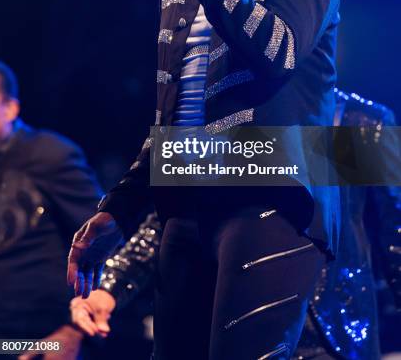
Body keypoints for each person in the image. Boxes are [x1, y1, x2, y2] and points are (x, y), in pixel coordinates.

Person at [68, 0, 345, 359]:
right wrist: (114, 208)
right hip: (187, 201)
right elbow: (172, 116)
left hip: (267, 196)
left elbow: (277, 50)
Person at [70, 90, 401, 360]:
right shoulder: (223, 122)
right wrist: (110, 286)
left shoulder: (361, 123)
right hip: (235, 316)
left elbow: (395, 235)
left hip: (332, 331)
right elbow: (172, 218)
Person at [0, 59, 102, 359]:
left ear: (11, 108)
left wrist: (74, 331)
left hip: (42, 337)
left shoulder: (48, 154)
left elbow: (103, 240)